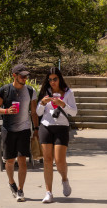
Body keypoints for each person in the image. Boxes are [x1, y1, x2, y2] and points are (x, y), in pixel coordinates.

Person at [0, 64, 39, 202]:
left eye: (26, 76)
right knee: (10, 160)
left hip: (24, 130)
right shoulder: (5, 90)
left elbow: (34, 112)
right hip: (8, 129)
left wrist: (36, 129)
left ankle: (20, 189)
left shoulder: (31, 91)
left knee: (22, 161)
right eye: (22, 76)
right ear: (14, 75)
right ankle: (11, 183)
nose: (25, 78)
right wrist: (6, 111)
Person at [36, 67, 78, 203]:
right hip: (46, 126)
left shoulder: (68, 93)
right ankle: (48, 192)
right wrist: (42, 103)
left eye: (55, 79)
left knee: (59, 160)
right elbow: (38, 112)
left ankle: (64, 179)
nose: (52, 82)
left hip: (62, 127)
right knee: (47, 160)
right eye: (50, 80)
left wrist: (63, 104)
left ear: (60, 79)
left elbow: (74, 113)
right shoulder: (45, 92)